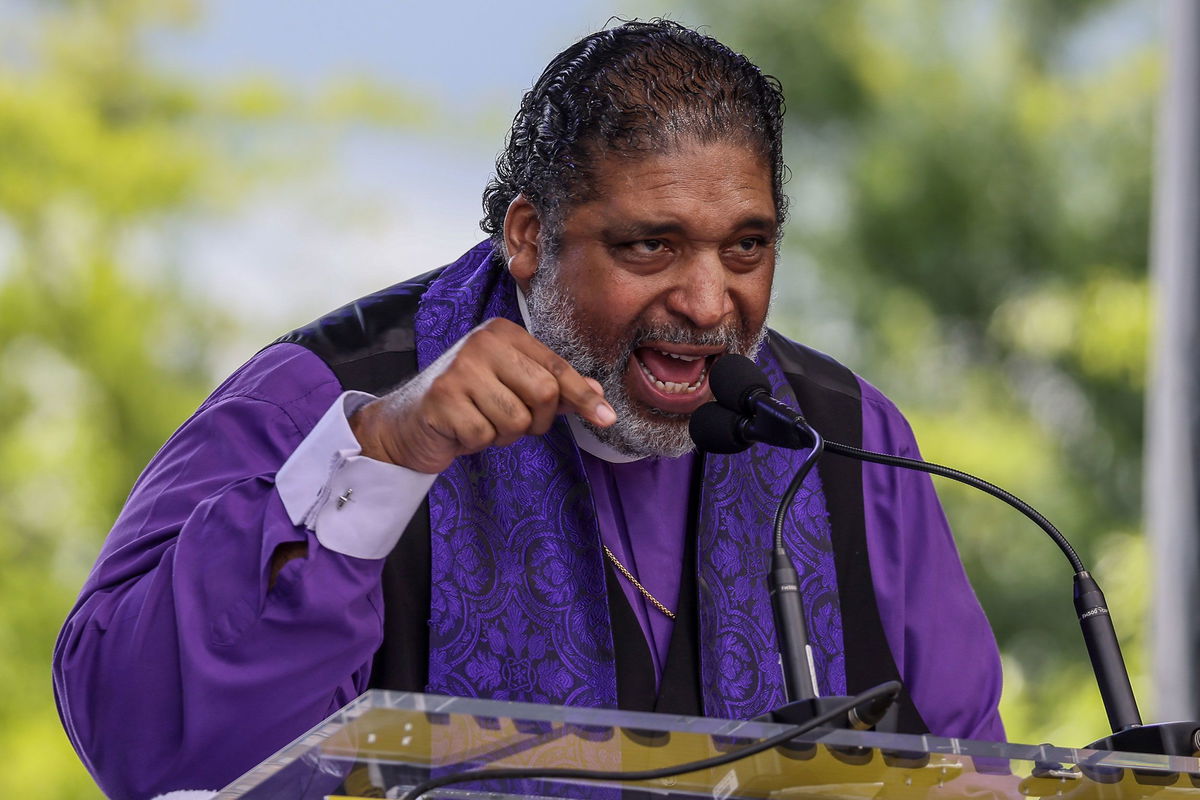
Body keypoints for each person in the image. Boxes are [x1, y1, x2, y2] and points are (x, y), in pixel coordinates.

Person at [53, 19, 1004, 799]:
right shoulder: (324, 397)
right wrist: (381, 454)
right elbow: (141, 745)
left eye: (746, 248)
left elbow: (970, 757)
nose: (711, 304)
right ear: (526, 235)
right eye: (650, 247)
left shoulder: (845, 438)